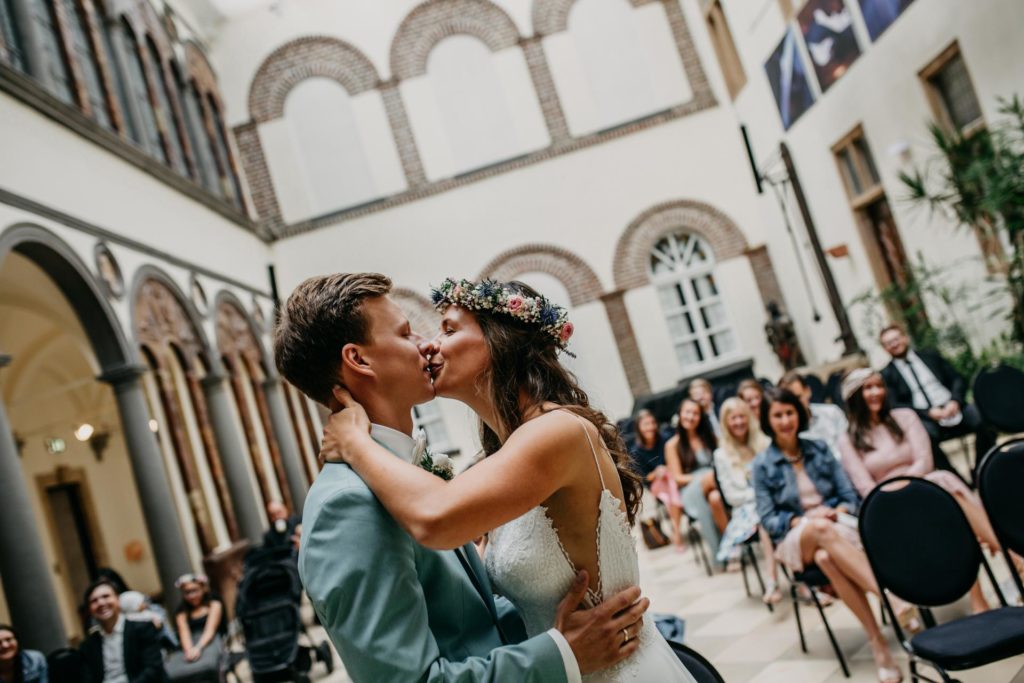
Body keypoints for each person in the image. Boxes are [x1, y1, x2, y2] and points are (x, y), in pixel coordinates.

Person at [274, 273, 652, 682]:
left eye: (446, 329)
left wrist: (355, 443)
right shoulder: (345, 505)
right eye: (406, 333)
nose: (427, 343)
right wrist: (560, 652)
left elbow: (475, 622)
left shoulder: (414, 476)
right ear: (359, 360)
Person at [753, 388, 910, 683]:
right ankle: (890, 597)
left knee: (827, 557)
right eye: (778, 415)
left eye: (789, 413)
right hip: (795, 539)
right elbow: (768, 519)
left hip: (833, 530)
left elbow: (848, 494)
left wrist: (834, 511)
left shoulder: (818, 448)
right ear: (767, 420)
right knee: (821, 531)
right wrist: (804, 519)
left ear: (798, 415)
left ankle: (878, 644)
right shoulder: (762, 465)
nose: (785, 420)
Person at [838, 368, 1007, 614]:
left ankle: (982, 591)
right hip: (887, 505)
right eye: (868, 388)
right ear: (854, 396)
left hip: (926, 487)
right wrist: (898, 490)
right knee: (944, 489)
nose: (876, 393)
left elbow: (924, 460)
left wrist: (911, 486)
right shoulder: (848, 439)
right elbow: (865, 486)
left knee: (944, 487)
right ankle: (1011, 557)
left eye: (879, 386)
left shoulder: (905, 417)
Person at [878, 324, 996, 477]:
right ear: (884, 348)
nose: (894, 344)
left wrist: (955, 401)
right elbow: (896, 404)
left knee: (985, 419)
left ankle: (982, 469)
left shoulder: (930, 356)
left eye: (896, 339)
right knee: (923, 438)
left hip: (953, 405)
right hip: (923, 417)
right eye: (888, 343)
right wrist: (928, 413)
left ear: (905, 338)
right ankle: (955, 479)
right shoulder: (887, 374)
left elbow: (957, 379)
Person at [711, 398, 782, 603]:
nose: (739, 422)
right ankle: (773, 581)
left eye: (742, 416)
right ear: (726, 422)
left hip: (775, 501)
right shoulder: (721, 455)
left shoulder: (765, 443)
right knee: (766, 521)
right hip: (746, 512)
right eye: (733, 418)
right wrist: (761, 494)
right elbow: (732, 497)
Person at [665, 399, 727, 566]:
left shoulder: (709, 438)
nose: (691, 417)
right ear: (680, 415)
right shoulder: (673, 445)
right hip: (690, 489)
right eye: (687, 412)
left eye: (695, 413)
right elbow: (677, 477)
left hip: (714, 485)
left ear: (700, 417)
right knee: (712, 481)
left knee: (715, 497)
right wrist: (703, 478)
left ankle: (728, 545)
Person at [80, 579, 168, 683]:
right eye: (94, 601)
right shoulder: (88, 645)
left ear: (118, 599)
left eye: (106, 596)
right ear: (90, 609)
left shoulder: (142, 629)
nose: (101, 603)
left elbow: (153, 670)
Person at [629, 410, 683, 549]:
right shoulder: (636, 451)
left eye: (652, 423)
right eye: (646, 424)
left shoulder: (665, 439)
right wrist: (657, 473)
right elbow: (644, 478)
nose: (651, 427)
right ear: (639, 428)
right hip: (656, 486)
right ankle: (677, 533)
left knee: (670, 488)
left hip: (673, 479)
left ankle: (676, 533)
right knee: (669, 492)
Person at [163, 574, 226, 682]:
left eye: (195, 590)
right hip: (190, 644)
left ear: (203, 588)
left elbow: (210, 629)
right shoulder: (181, 612)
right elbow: (184, 633)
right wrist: (189, 650)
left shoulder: (214, 604)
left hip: (210, 640)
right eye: (187, 592)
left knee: (209, 665)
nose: (191, 595)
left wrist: (198, 648)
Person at [780, 371, 847, 459]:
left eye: (798, 398)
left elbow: (851, 447)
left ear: (808, 391)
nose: (794, 405)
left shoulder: (832, 412)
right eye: (789, 401)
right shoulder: (785, 432)